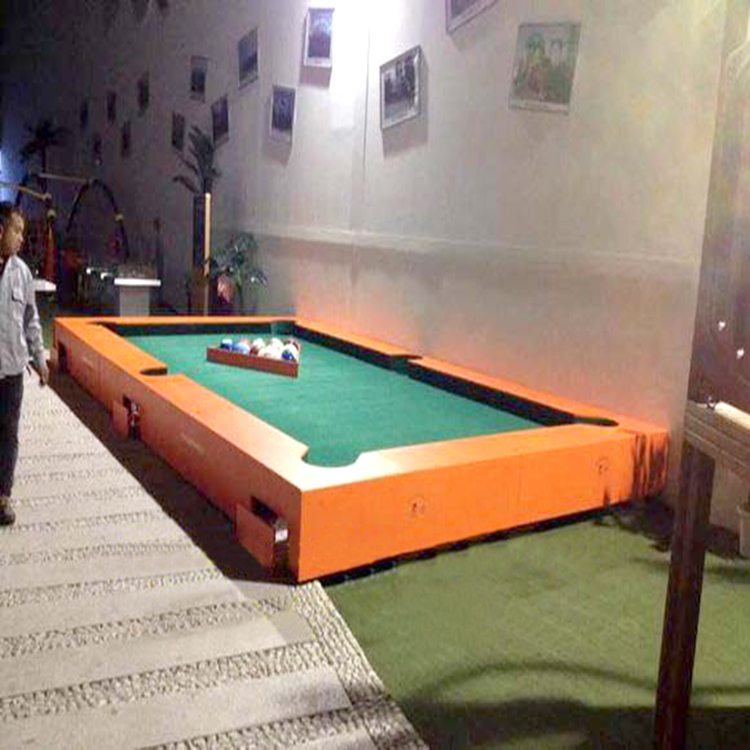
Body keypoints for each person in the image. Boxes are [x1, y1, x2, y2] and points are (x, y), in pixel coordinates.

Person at [0, 202, 49, 525]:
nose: (21, 238)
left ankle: (2, 498)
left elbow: (31, 320)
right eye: (16, 230)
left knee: (8, 435)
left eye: (23, 231)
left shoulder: (22, 273)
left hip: (12, 370)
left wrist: (39, 357)